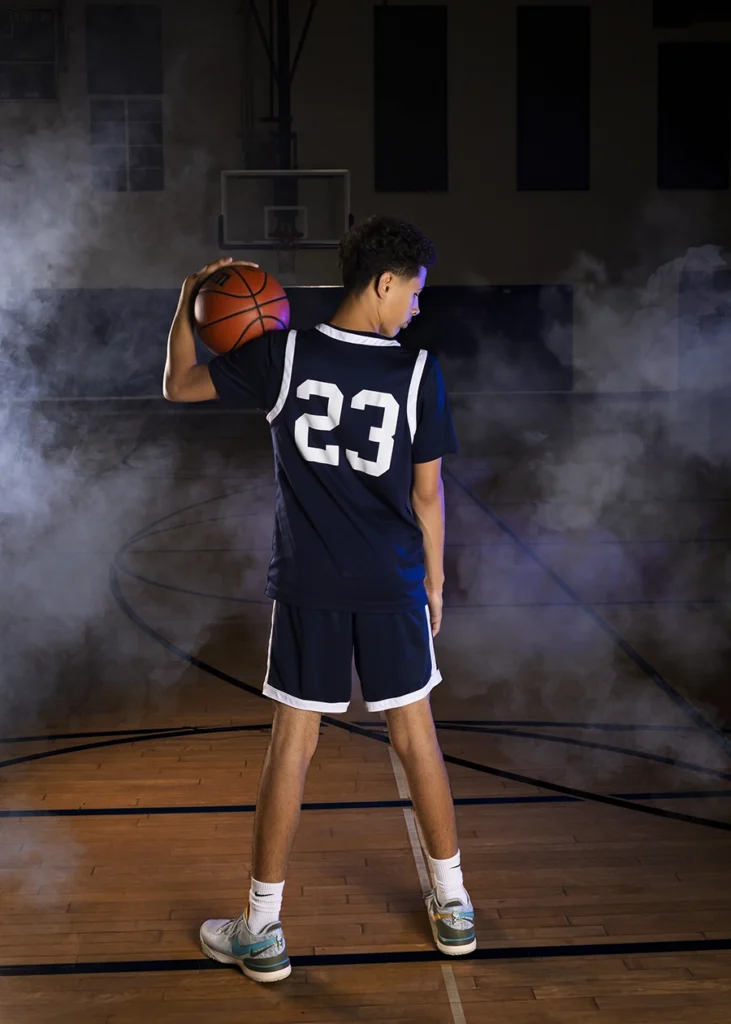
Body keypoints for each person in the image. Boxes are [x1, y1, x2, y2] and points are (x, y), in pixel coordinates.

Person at [163, 215, 475, 983]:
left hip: (311, 586)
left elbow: (177, 384)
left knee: (292, 749)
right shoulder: (417, 370)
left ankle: (261, 930)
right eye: (413, 292)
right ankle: (454, 904)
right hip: (391, 584)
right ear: (382, 283)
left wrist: (184, 302)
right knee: (416, 741)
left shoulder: (282, 352)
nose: (415, 309)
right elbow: (427, 496)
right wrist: (434, 583)